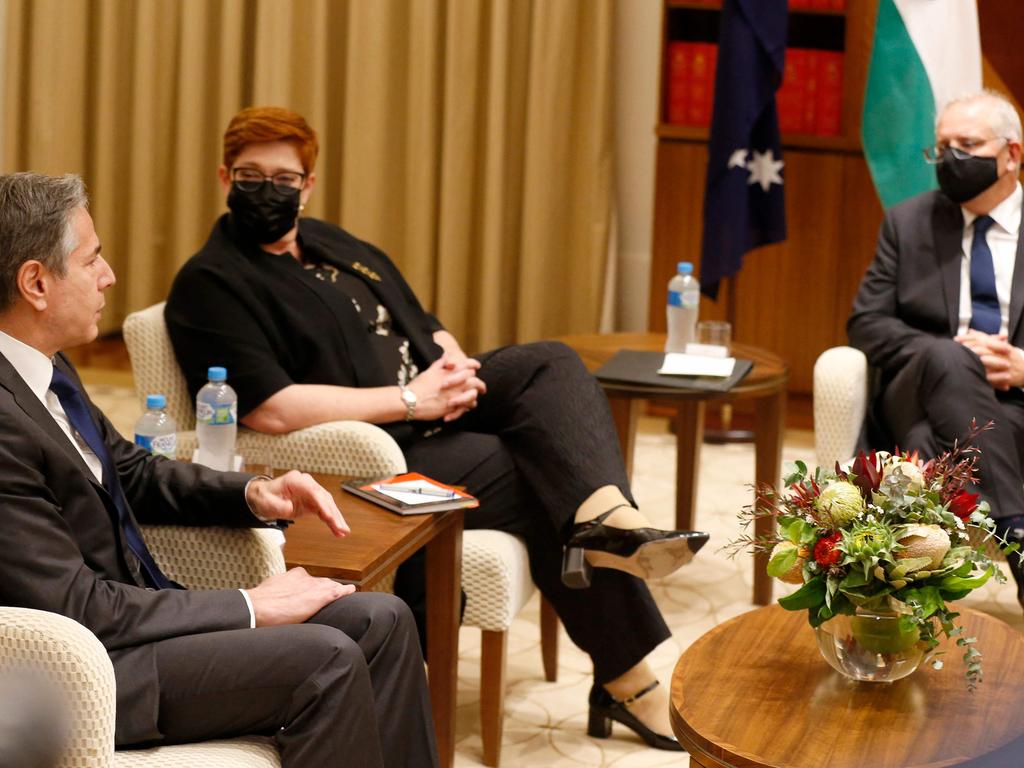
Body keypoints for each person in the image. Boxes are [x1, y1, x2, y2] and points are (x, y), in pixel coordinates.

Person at [165, 106, 709, 749]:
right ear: (224, 177)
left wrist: (453, 366)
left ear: (308, 186)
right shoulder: (211, 281)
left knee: (551, 363)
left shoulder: (334, 243)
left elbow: (420, 319)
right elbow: (272, 408)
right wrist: (412, 400)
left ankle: (608, 517)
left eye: (285, 179)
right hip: (381, 448)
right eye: (251, 176)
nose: (268, 191)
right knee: (536, 473)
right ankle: (629, 679)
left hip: (430, 406)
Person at [0, 172, 438, 768]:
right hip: (85, 673)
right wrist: (253, 604)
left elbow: (130, 470)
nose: (109, 276)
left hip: (134, 626)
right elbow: (79, 607)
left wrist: (255, 493)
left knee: (382, 619)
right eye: (93, 259)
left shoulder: (44, 368)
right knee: (328, 659)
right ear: (36, 283)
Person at [848, 89, 1024, 609]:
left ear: (1012, 153)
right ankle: (1016, 529)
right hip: (916, 390)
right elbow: (866, 323)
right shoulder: (910, 222)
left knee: (929, 442)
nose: (950, 159)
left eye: (967, 145)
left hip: (1008, 405)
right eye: (941, 147)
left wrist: (1021, 366)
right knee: (949, 358)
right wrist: (951, 356)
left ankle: (899, 605)